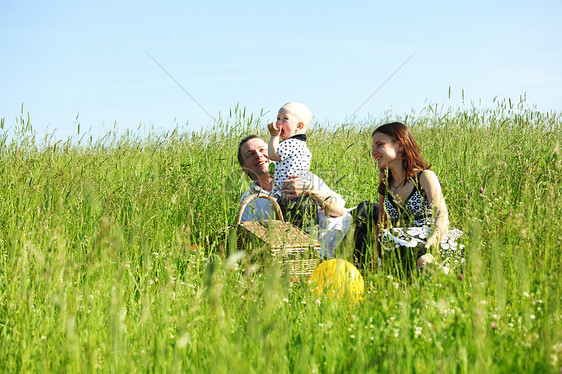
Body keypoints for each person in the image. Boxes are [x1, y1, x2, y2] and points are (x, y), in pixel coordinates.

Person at [371, 122, 464, 275]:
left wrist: (433, 240)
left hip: (430, 237)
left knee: (390, 237)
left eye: (379, 145)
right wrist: (373, 252)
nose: (374, 152)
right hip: (399, 241)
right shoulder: (385, 179)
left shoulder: (424, 176)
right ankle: (430, 269)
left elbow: (441, 216)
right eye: (373, 147)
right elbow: (383, 221)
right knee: (386, 237)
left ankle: (430, 266)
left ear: (400, 145)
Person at [237, 135, 352, 258]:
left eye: (262, 150)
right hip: (294, 257)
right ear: (244, 168)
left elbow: (338, 211)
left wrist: (311, 191)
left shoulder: (302, 177)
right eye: (250, 154)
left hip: (338, 241)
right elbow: (247, 240)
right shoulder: (249, 201)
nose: (259, 156)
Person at [267, 102, 316, 228]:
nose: (279, 122)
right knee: (304, 232)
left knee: (285, 231)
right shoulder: (301, 145)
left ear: (299, 126)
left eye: (285, 119)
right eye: (278, 118)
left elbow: (273, 155)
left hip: (289, 198)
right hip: (302, 196)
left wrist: (273, 136)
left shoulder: (291, 143)